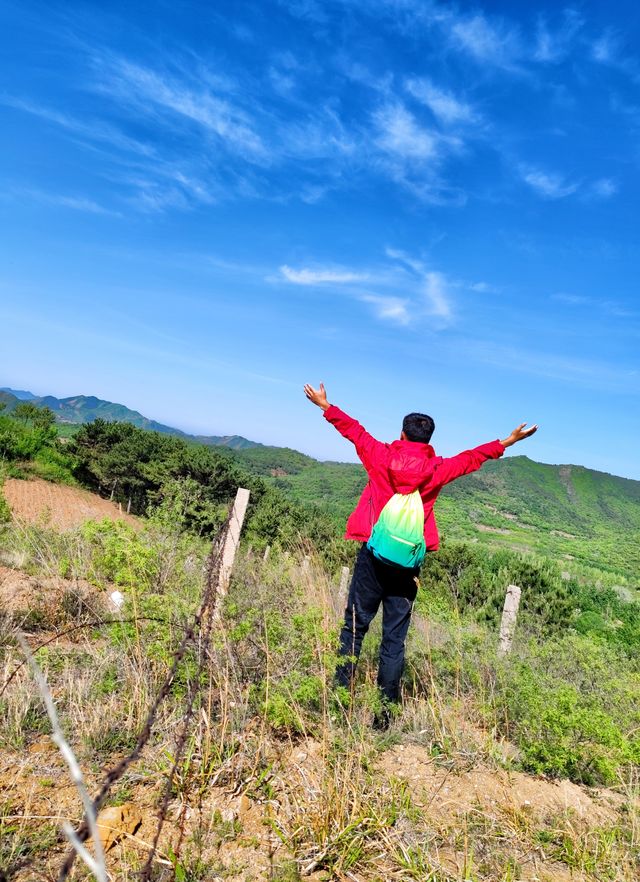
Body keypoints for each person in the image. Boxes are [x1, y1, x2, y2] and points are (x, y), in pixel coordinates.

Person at [303, 382, 537, 727]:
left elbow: (355, 433)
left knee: (354, 628)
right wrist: (506, 442)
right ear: (429, 440)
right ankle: (384, 717)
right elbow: (470, 459)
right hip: (407, 565)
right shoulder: (436, 470)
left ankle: (337, 704)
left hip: (373, 556)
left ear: (401, 432)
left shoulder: (381, 456)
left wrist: (325, 405)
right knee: (394, 639)